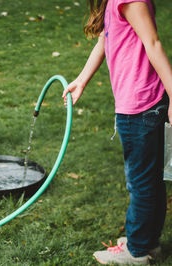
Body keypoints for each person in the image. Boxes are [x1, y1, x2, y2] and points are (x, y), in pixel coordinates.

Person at [62, 0, 172, 264]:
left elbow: (153, 43)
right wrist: (81, 80)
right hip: (140, 104)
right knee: (149, 179)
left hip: (140, 107)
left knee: (141, 183)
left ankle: (137, 252)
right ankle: (148, 244)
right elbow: (104, 41)